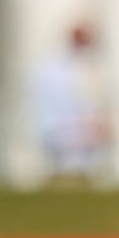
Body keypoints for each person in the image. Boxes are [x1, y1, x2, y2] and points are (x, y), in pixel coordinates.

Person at [30, 21, 110, 184]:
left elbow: (93, 100)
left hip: (80, 129)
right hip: (62, 128)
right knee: (69, 169)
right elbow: (58, 103)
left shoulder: (87, 65)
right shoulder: (54, 67)